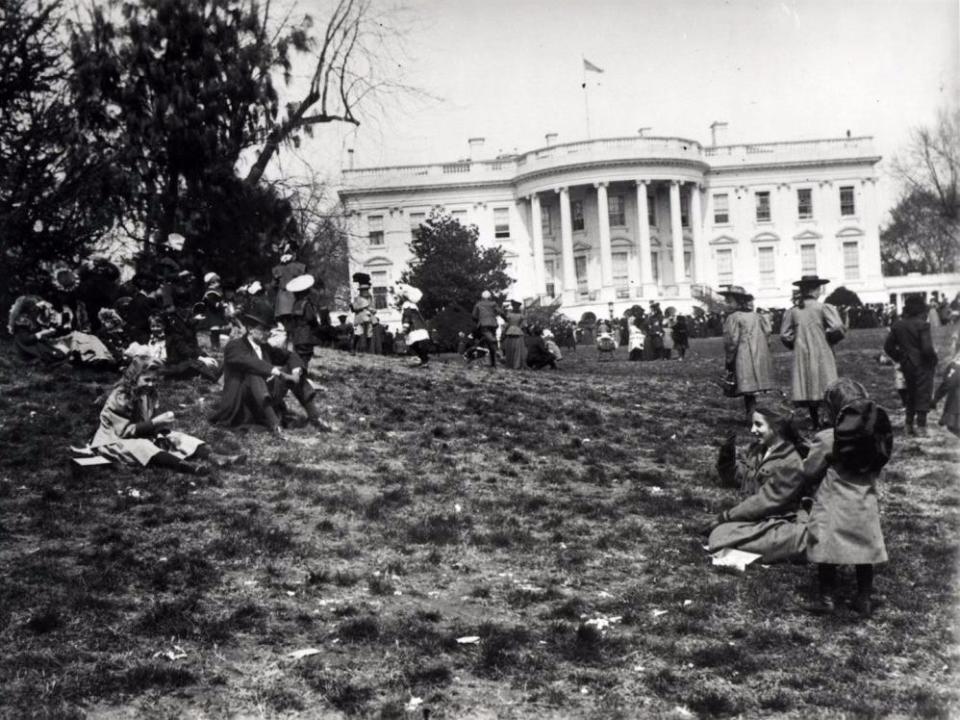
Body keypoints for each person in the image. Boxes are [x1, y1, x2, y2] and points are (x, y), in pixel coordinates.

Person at [805, 379, 892, 617]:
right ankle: (863, 598)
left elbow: (810, 471)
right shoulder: (873, 435)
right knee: (864, 551)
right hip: (864, 500)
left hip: (834, 499)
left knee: (825, 548)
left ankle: (826, 598)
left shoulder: (828, 437)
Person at [90, 357, 236, 474]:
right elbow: (123, 432)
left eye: (154, 380)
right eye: (147, 380)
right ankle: (186, 466)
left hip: (141, 432)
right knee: (143, 446)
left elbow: (150, 417)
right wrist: (155, 423)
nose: (151, 384)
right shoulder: (122, 395)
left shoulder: (150, 392)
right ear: (134, 378)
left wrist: (159, 427)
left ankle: (216, 457)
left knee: (177, 437)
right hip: (113, 440)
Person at [210, 299, 334, 435]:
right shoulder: (235, 346)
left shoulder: (265, 347)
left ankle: (315, 416)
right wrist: (278, 373)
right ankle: (275, 425)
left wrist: (296, 372)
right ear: (251, 329)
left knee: (294, 368)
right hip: (244, 406)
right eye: (264, 329)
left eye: (269, 329)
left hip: (264, 397)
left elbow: (289, 356)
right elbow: (250, 363)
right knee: (254, 373)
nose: (268, 333)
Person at [707, 405, 809, 563]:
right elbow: (736, 477)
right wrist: (726, 455)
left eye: (758, 425)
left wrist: (725, 517)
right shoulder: (758, 451)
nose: (752, 430)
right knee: (721, 534)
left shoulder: (789, 461)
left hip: (781, 523)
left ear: (776, 428)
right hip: (758, 521)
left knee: (720, 534)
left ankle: (796, 545)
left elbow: (765, 501)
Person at [780, 274, 846, 429]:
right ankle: (828, 419)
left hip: (802, 352)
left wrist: (793, 344)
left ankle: (815, 420)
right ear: (815, 290)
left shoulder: (794, 311)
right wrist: (831, 338)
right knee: (825, 382)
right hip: (822, 350)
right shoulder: (823, 308)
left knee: (809, 384)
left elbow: (784, 334)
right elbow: (836, 326)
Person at [884, 295, 938, 437]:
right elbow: (927, 349)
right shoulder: (923, 325)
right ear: (921, 309)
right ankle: (921, 427)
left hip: (906, 364)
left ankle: (908, 425)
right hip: (922, 364)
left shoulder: (897, 325)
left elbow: (888, 347)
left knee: (911, 394)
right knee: (923, 393)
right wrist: (933, 359)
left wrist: (900, 358)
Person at [722, 286, 775, 423]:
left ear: (738, 302)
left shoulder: (734, 318)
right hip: (758, 354)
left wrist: (729, 358)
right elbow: (768, 333)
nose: (727, 303)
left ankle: (750, 415)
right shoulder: (758, 317)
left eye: (729, 301)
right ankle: (752, 413)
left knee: (747, 387)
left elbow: (732, 340)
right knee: (752, 386)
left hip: (742, 354)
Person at [286, 274, 323, 366]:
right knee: (306, 355)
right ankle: (303, 374)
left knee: (298, 355)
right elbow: (311, 318)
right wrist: (316, 326)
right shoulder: (306, 304)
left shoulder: (295, 304)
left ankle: (299, 372)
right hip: (306, 334)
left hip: (297, 335)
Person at [271, 245, 306, 332]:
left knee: (285, 320)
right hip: (294, 296)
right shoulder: (298, 267)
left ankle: (288, 336)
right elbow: (303, 281)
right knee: (296, 319)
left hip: (282, 297)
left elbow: (273, 284)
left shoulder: (278, 269)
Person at [395, 283, 430, 367]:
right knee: (420, 343)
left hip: (414, 327)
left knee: (412, 344)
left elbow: (407, 316)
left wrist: (405, 326)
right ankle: (424, 359)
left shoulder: (406, 305)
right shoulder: (413, 306)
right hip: (420, 326)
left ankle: (422, 359)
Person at [933, 348, 960, 438]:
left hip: (956, 406)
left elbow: (948, 384)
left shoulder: (956, 365)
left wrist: (935, 399)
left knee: (953, 427)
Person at [472, 290, 502, 368]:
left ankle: (480, 361)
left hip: (483, 325)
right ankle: (493, 362)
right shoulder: (494, 304)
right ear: (490, 297)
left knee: (482, 341)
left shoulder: (478, 304)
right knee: (491, 343)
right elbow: (500, 312)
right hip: (493, 325)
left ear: (482, 297)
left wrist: (478, 320)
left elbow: (474, 316)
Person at [350, 273, 375, 354]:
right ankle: (353, 349)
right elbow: (354, 309)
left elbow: (374, 309)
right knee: (357, 333)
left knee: (369, 334)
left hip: (369, 317)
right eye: (363, 290)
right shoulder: (357, 298)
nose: (365, 292)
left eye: (366, 290)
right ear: (360, 291)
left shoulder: (371, 298)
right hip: (360, 317)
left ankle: (368, 350)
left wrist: (372, 310)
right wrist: (361, 307)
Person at [502, 300, 527, 369]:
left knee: (510, 349)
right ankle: (517, 365)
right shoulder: (521, 316)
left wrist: (504, 331)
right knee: (517, 350)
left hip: (510, 332)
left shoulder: (509, 315)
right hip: (518, 332)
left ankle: (510, 364)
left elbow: (506, 324)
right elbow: (524, 325)